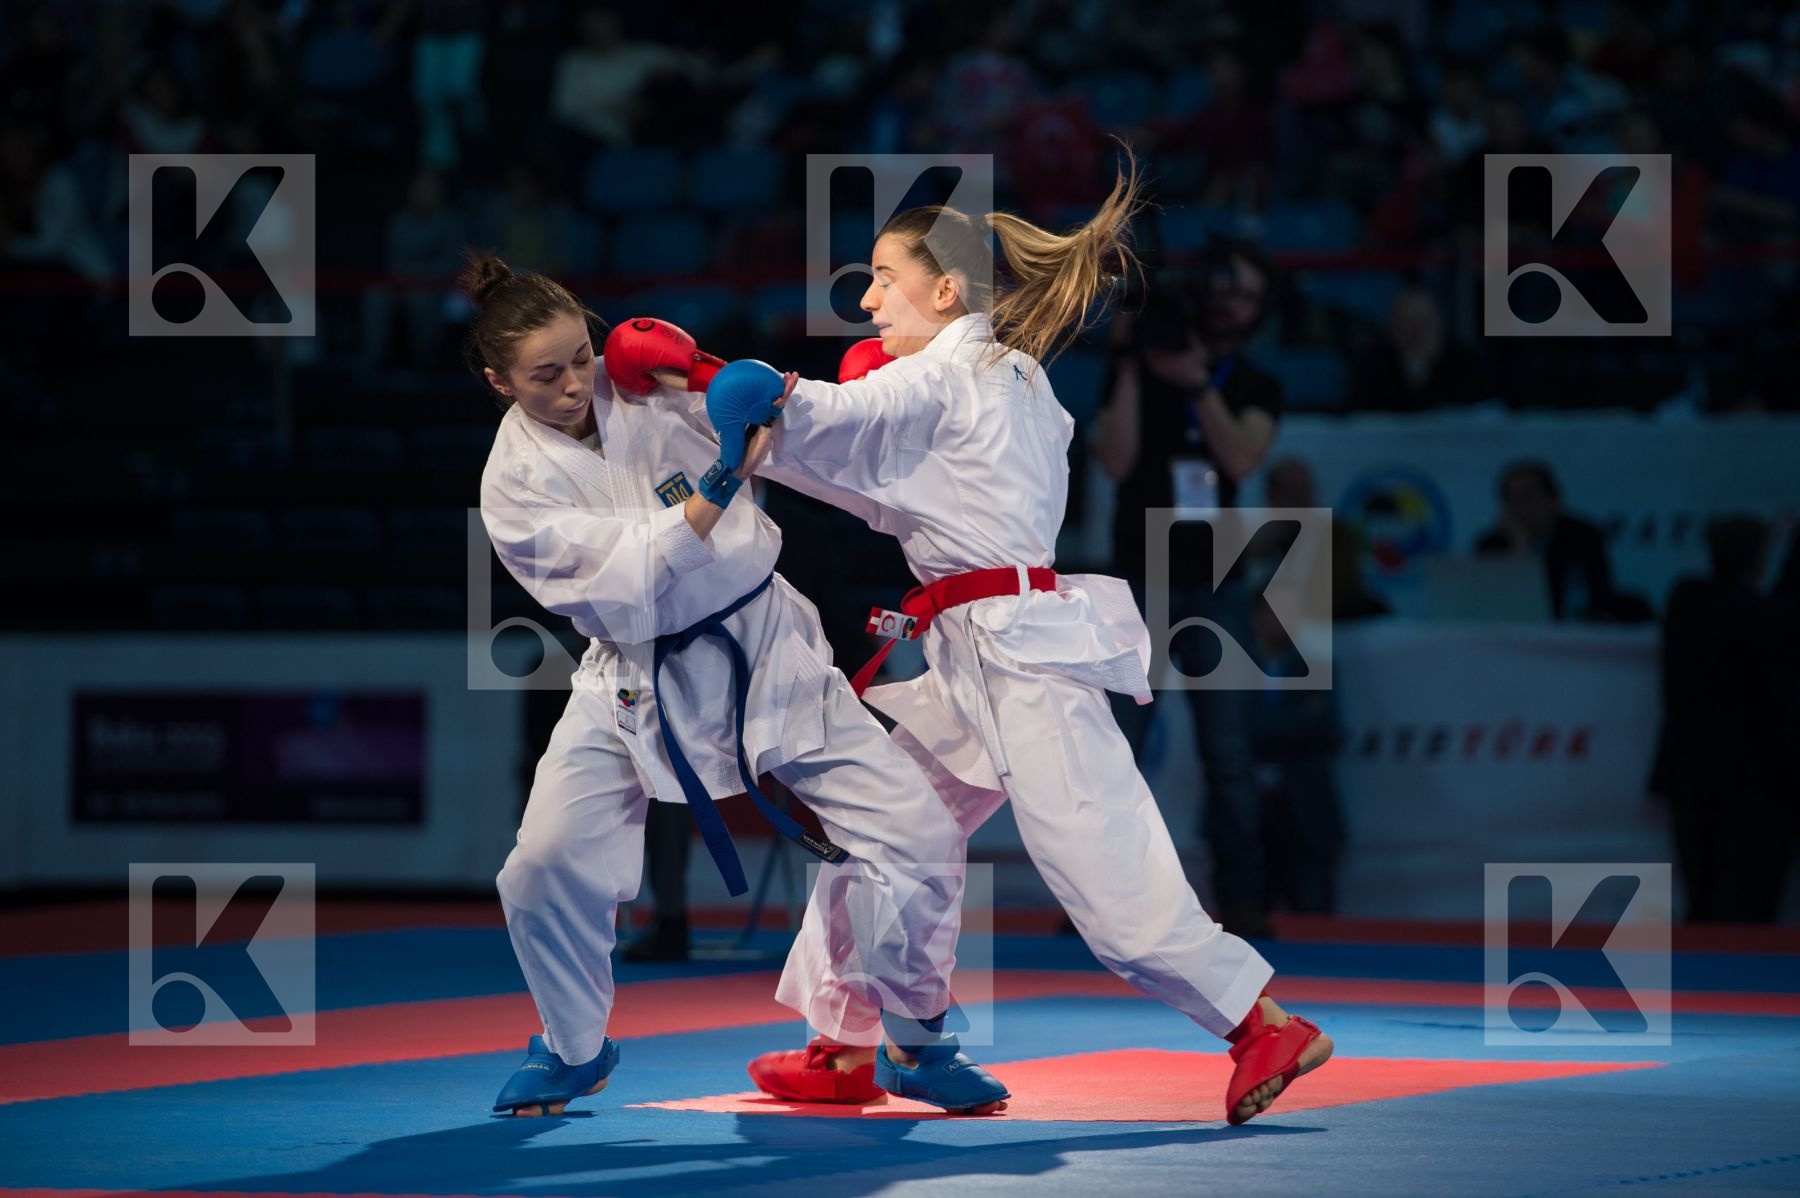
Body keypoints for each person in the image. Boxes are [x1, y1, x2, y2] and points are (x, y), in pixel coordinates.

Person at [655, 155, 1331, 1125]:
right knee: (872, 822)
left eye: (885, 277)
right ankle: (843, 1045)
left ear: (946, 287)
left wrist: (711, 376)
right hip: (970, 649)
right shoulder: (1017, 384)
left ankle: (1255, 1019)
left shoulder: (951, 369)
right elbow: (884, 494)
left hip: (1017, 654)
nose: (868, 294)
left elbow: (839, 422)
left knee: (1097, 856)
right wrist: (728, 411)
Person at [467, 258, 1007, 1117]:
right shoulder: (512, 487)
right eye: (546, 374)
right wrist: (718, 484)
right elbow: (614, 585)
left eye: (581, 355)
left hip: (765, 648)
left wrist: (731, 385)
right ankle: (572, 1048)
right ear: (498, 381)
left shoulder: (645, 381)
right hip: (631, 676)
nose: (576, 382)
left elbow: (768, 422)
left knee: (917, 832)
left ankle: (917, 1036)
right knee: (541, 866)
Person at [1092, 247, 1286, 938]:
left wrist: (1198, 383)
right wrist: (1130, 363)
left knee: (1229, 754)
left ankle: (1243, 904)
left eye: (1247, 296)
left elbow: (1240, 458)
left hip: (1216, 583)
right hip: (1137, 579)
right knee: (1119, 748)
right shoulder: (1136, 370)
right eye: (1225, 290)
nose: (1231, 305)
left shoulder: (1253, 382)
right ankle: (1102, 906)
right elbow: (1114, 460)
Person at [1656, 516, 1798, 922]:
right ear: (1761, 558)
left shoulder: (1687, 600)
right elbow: (1776, 619)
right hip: (1756, 778)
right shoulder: (1760, 614)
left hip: (1699, 773)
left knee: (1710, 896)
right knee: (1742, 902)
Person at [1473, 461, 1619, 622]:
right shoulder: (1490, 544)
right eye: (1511, 500)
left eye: (1529, 497)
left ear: (1554, 500)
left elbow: (1594, 595)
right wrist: (1519, 548)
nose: (1520, 507)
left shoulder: (1584, 537)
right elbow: (1493, 605)